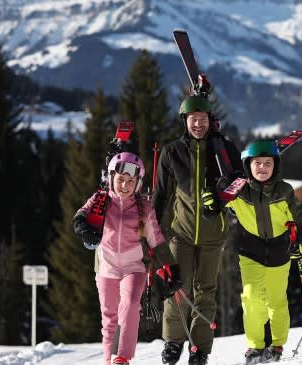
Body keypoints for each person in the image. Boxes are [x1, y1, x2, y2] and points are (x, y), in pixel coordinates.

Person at [152, 94, 243, 365]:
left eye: (203, 119)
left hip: (214, 235)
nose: (198, 124)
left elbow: (239, 183)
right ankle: (173, 342)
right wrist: (151, 231)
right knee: (177, 287)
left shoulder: (224, 149)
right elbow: (160, 196)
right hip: (181, 233)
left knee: (205, 290)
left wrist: (220, 197)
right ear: (185, 121)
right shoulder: (172, 152)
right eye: (193, 120)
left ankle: (200, 348)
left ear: (210, 121)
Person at [73, 152, 175, 365]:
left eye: (131, 181)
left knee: (129, 305)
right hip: (106, 267)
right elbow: (81, 215)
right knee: (109, 317)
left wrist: (171, 266)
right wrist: (83, 227)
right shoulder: (100, 200)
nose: (125, 185)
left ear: (138, 183)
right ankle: (109, 360)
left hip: (133, 267)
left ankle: (122, 357)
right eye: (120, 180)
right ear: (111, 178)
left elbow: (156, 239)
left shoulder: (144, 207)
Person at [223, 140, 302, 364]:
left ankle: (277, 344)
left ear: (275, 166)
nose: (262, 168)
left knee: (276, 300)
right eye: (257, 163)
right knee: (252, 298)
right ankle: (255, 346)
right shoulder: (239, 191)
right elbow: (218, 201)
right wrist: (219, 188)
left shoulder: (284, 191)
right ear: (248, 165)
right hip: (250, 250)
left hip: (279, 251)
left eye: (267, 163)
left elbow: (301, 219)